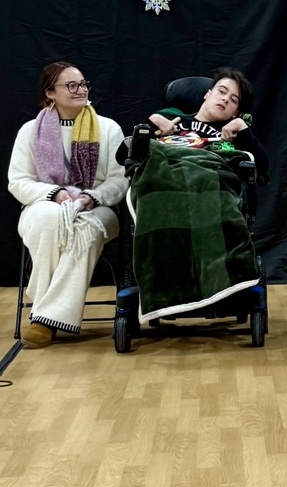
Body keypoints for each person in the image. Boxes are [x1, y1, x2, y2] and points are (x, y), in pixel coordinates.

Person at [8, 62, 128, 347]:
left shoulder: (108, 128)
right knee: (49, 221)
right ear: (50, 92)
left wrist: (90, 198)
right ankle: (52, 312)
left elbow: (120, 180)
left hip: (96, 206)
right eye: (71, 85)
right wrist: (56, 194)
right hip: (43, 203)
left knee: (84, 231)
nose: (80, 90)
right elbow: (18, 181)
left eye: (83, 84)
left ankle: (42, 318)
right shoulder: (30, 131)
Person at [144, 67, 268, 178]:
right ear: (208, 94)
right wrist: (150, 124)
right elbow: (126, 155)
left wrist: (243, 127)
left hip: (209, 189)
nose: (225, 99)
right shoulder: (170, 117)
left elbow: (262, 168)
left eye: (233, 100)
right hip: (162, 179)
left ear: (235, 112)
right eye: (222, 91)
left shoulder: (233, 134)